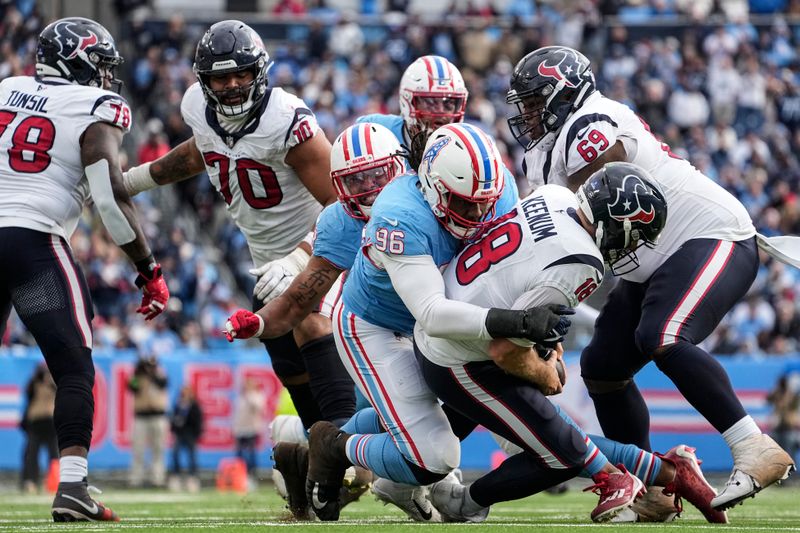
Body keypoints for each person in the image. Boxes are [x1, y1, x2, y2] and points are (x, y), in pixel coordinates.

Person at [506, 45, 795, 513]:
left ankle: (753, 446)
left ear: (566, 94)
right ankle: (652, 485)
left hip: (710, 235)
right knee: (602, 367)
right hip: (652, 261)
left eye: (537, 102)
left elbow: (604, 205)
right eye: (526, 104)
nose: (529, 114)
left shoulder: (589, 127)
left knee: (662, 334)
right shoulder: (545, 154)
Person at [274, 123, 573, 522]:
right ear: (432, 186)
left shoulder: (497, 193)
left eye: (485, 202)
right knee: (432, 458)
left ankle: (320, 445)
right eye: (465, 203)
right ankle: (334, 447)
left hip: (436, 320)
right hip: (376, 324)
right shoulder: (397, 213)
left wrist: (541, 341)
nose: (479, 213)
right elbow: (431, 311)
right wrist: (517, 322)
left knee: (430, 408)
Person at [414, 162, 724, 523]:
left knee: (551, 434)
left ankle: (663, 473)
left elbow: (524, 294)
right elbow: (505, 349)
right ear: (616, 223)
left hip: (457, 321)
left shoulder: (556, 195)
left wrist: (546, 351)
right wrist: (543, 374)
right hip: (459, 353)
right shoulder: (582, 262)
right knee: (560, 452)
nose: (633, 245)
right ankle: (463, 503)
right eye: (635, 233)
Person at [122, 20, 354, 436]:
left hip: (317, 249)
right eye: (220, 76)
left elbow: (342, 201)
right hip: (264, 261)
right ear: (203, 80)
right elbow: (201, 152)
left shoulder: (286, 120)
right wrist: (137, 179)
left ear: (259, 72)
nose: (230, 85)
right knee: (288, 365)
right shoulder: (198, 108)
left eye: (240, 73)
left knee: (309, 323)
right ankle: (325, 456)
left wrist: (301, 255)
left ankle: (348, 447)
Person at [0, 17, 169, 522]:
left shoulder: (8, 88)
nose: (104, 76)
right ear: (76, 61)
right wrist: (148, 268)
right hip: (33, 242)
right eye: (98, 65)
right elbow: (110, 200)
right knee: (73, 368)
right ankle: (73, 488)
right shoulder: (95, 106)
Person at [128, 354, 169, 488]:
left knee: (158, 449)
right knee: (138, 449)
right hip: (141, 416)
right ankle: (136, 479)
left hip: (158, 415)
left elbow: (163, 384)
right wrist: (137, 372)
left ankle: (157, 479)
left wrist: (152, 373)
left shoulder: (160, 374)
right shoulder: (138, 377)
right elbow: (131, 386)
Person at [20, 364, 58, 494]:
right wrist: (36, 379)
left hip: (50, 422)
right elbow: (29, 395)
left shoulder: (53, 382)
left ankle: (53, 481)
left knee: (54, 454)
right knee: (31, 454)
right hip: (36, 422)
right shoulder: (33, 383)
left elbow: (58, 391)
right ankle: (31, 481)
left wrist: (49, 380)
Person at [169, 384, 203, 492]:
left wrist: (196, 433)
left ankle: (193, 477)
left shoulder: (194, 405)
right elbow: (173, 419)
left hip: (190, 433)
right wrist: (174, 428)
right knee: (175, 453)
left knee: (192, 455)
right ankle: (176, 476)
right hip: (180, 433)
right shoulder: (178, 404)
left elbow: (198, 420)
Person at [233, 377, 266, 483]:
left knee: (251, 454)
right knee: (239, 454)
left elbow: (258, 408)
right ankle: (241, 476)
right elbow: (237, 415)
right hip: (240, 429)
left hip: (251, 429)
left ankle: (252, 476)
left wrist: (250, 395)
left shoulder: (257, 396)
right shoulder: (240, 397)